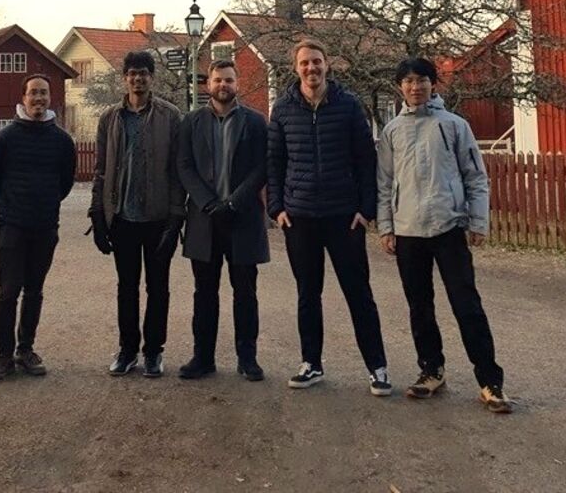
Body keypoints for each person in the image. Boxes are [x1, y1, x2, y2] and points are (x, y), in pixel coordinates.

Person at [377, 58, 510, 414]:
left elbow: (475, 176)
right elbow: (385, 183)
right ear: (399, 87)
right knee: (419, 306)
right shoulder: (392, 131)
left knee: (466, 304)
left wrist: (478, 221)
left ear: (433, 84)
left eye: (421, 80)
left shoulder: (453, 126)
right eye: (407, 81)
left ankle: (489, 379)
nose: (415, 87)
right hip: (408, 231)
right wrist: (386, 226)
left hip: (448, 227)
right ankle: (431, 370)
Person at [268, 39, 390, 394]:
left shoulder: (349, 106)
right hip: (300, 217)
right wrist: (277, 208)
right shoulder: (283, 109)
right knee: (308, 293)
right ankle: (311, 363)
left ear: (327, 66)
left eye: (317, 62)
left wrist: (366, 210)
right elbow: (274, 162)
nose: (312, 68)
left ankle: (377, 367)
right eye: (305, 63)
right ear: (295, 68)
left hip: (343, 216)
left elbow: (366, 161)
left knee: (359, 293)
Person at [89, 50, 185, 378]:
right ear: (125, 77)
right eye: (132, 73)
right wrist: (98, 214)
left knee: (158, 287)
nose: (137, 78)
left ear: (151, 77)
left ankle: (154, 351)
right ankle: (128, 348)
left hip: (157, 218)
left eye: (143, 72)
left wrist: (176, 218)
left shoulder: (171, 117)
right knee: (126, 286)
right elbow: (101, 170)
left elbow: (177, 170)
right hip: (124, 218)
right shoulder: (110, 118)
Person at [175, 60, 269, 381]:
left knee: (245, 292)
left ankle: (248, 358)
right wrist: (208, 202)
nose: (222, 85)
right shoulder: (190, 122)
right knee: (204, 293)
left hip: (242, 218)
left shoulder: (256, 123)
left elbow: (261, 168)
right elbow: (184, 167)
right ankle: (203, 357)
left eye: (229, 80)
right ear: (208, 85)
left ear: (237, 83)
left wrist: (233, 202)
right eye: (217, 80)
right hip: (204, 220)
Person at [0, 73, 77, 380]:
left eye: (44, 93)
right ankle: (3, 355)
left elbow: (66, 182)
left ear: (51, 99)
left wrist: (45, 203)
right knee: (8, 291)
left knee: (34, 290)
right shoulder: (4, 138)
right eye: (33, 93)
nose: (38, 99)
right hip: (12, 226)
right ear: (22, 98)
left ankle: (26, 349)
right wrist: (11, 203)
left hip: (45, 225)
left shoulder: (62, 141)